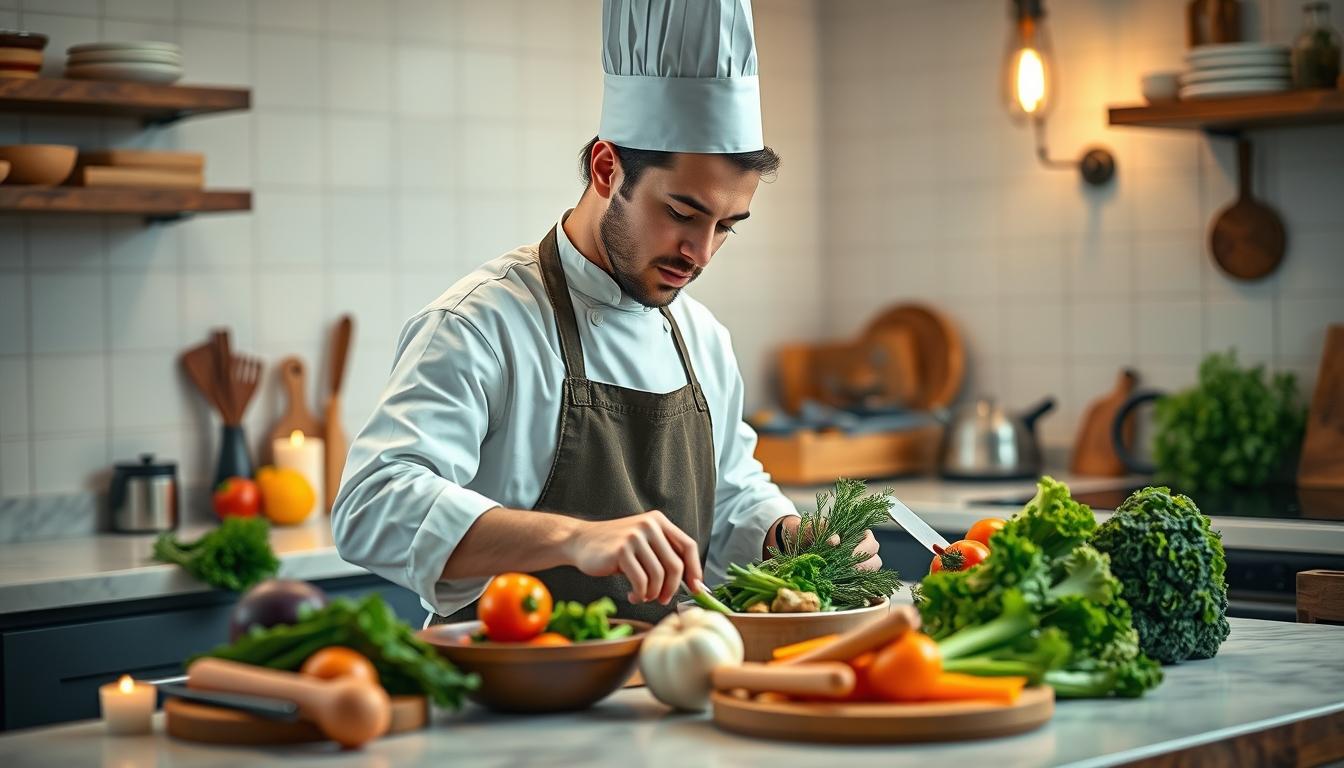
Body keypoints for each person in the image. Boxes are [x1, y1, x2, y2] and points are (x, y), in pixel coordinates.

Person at [332, 0, 881, 625]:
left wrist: (783, 535)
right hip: (511, 688)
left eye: (727, 226)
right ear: (606, 168)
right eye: (681, 213)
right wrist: (572, 538)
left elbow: (729, 496)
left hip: (666, 685)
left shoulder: (700, 339)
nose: (699, 254)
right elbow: (371, 507)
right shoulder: (481, 324)